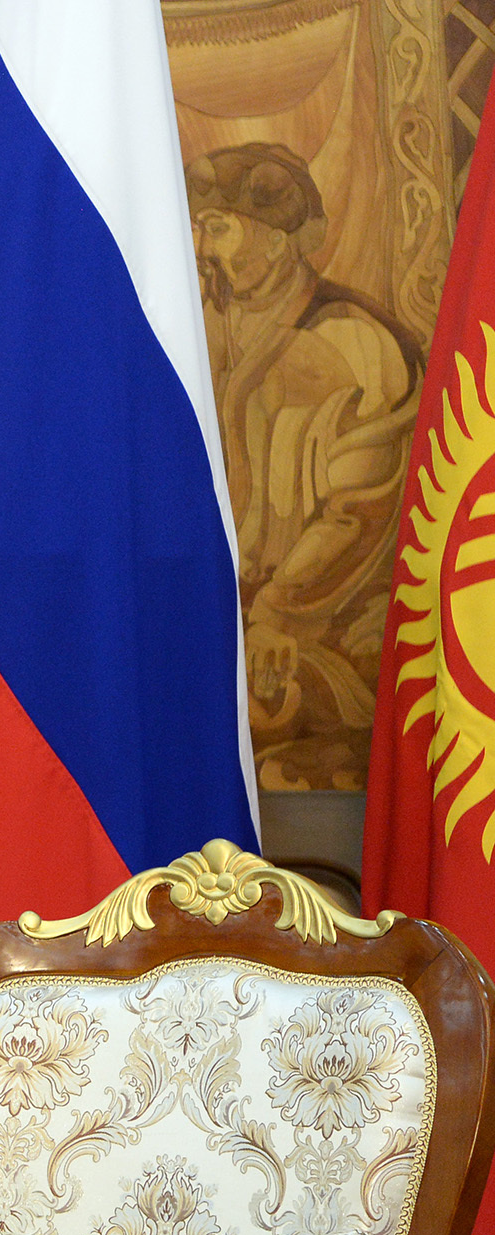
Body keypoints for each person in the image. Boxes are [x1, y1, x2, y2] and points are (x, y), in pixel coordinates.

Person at [188, 142, 420, 788]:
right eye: (199, 228)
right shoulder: (208, 326)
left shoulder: (352, 341)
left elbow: (359, 513)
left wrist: (279, 614)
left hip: (324, 623)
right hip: (226, 610)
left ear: (276, 237)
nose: (202, 248)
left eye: (218, 228)